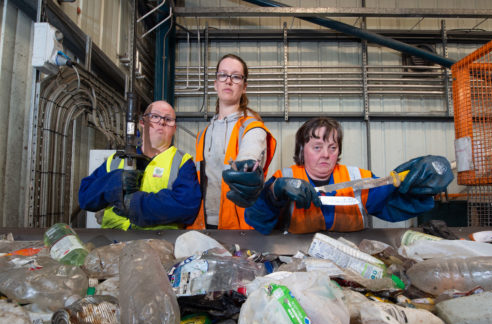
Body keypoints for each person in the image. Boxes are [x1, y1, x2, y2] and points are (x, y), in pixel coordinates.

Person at [245, 117, 454, 234]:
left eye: (332, 147)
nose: (326, 154)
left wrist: (426, 182)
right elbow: (258, 221)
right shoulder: (286, 177)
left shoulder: (359, 178)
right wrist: (273, 192)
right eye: (317, 147)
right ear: (301, 150)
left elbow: (398, 203)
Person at [78, 100, 201, 230]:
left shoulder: (182, 162)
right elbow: (85, 198)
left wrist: (135, 205)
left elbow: (186, 206)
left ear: (174, 128)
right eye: (155, 116)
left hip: (158, 244)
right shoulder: (116, 161)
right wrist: (115, 182)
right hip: (113, 240)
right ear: (142, 122)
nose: (162, 122)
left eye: (168, 119)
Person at [188, 54, 277, 230]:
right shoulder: (203, 134)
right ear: (215, 83)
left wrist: (248, 163)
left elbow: (252, 149)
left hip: (239, 228)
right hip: (203, 223)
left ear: (244, 87)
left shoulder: (252, 127)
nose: (228, 81)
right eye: (223, 75)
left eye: (236, 76)